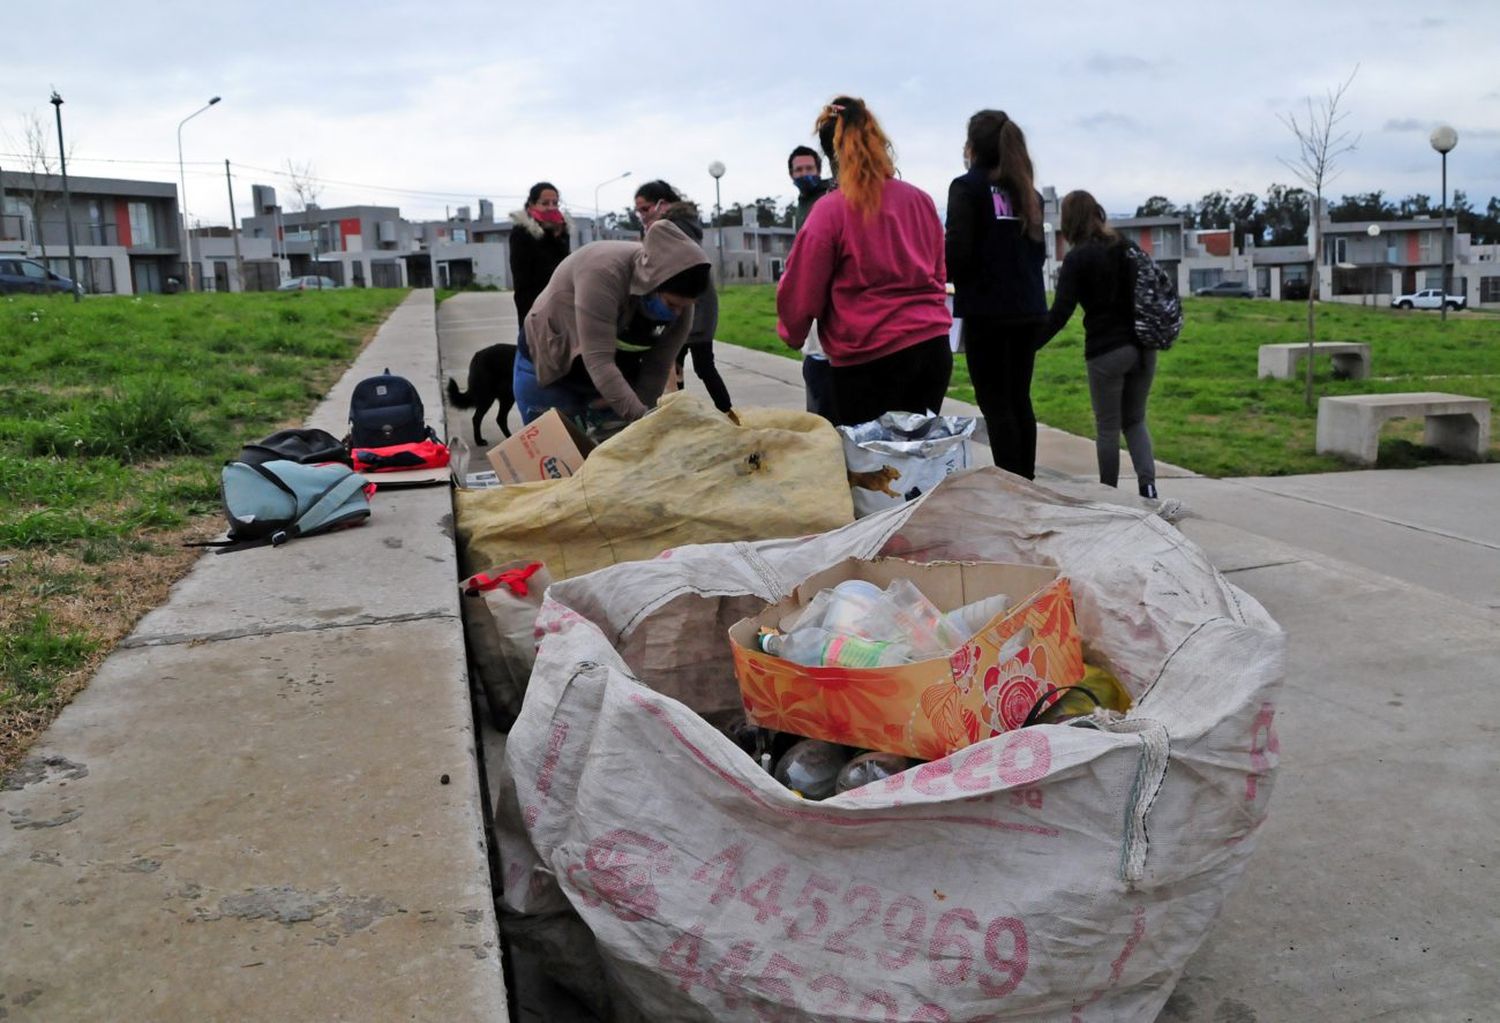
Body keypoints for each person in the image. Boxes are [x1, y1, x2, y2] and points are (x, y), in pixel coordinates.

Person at [776, 96, 952, 427]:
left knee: (871, 470)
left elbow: (803, 287)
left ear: (831, 155)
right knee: (918, 463)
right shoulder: (921, 201)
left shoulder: (830, 211)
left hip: (868, 357)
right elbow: (938, 272)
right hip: (931, 347)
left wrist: (792, 332)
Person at [514, 218, 711, 427]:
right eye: (671, 305)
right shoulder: (603, 272)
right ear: (651, 283)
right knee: (557, 453)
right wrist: (642, 420)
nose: (677, 313)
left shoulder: (683, 295)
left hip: (609, 379)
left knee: (616, 450)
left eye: (685, 306)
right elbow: (599, 360)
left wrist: (644, 419)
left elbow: (657, 366)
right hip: (551, 362)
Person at [945, 110, 1048, 479]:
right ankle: (1026, 482)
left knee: (996, 403)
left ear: (972, 146)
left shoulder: (966, 188)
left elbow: (957, 252)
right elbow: (1038, 255)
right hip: (1029, 311)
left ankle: (1011, 486)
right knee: (1019, 398)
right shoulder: (1028, 193)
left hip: (989, 313)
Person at [1042, 190, 1159, 499]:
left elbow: (1059, 314)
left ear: (1069, 222)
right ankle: (1148, 488)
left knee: (1107, 427)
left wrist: (1028, 344)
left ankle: (1110, 494)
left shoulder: (1077, 258)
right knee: (1135, 420)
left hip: (1107, 351)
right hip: (1144, 347)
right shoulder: (1127, 247)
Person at [633, 180, 733, 414]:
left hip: (695, 307)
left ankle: (728, 413)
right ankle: (679, 414)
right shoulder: (660, 227)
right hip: (677, 306)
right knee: (670, 365)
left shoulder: (675, 226)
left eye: (646, 209)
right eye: (638, 211)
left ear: (663, 204)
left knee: (703, 366)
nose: (642, 216)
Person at [786, 145, 837, 421]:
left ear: (820, 170)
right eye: (799, 170)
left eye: (809, 168)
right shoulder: (803, 203)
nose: (804, 174)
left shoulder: (830, 196)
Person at [508, 182, 572, 323]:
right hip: (532, 304)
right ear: (531, 205)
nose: (551, 208)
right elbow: (524, 276)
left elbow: (565, 266)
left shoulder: (562, 230)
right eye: (545, 203)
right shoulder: (522, 232)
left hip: (561, 304)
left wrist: (557, 236)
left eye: (555, 203)